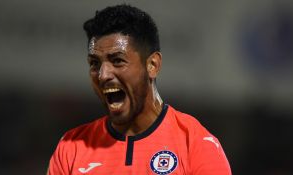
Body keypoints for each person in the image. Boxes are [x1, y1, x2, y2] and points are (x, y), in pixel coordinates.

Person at [47, 4, 231, 175]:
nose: (103, 75)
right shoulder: (71, 148)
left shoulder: (195, 144)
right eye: (94, 64)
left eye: (117, 60)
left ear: (152, 65)